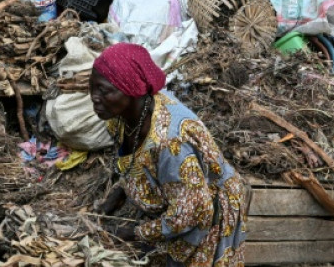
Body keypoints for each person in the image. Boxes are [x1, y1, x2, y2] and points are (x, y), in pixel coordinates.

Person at [91, 43, 250, 266]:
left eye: (104, 91)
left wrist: (133, 233)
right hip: (182, 198)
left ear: (132, 89)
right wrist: (119, 193)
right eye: (92, 88)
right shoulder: (122, 117)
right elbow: (134, 163)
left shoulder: (169, 143)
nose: (94, 98)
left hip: (207, 213)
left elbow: (191, 214)